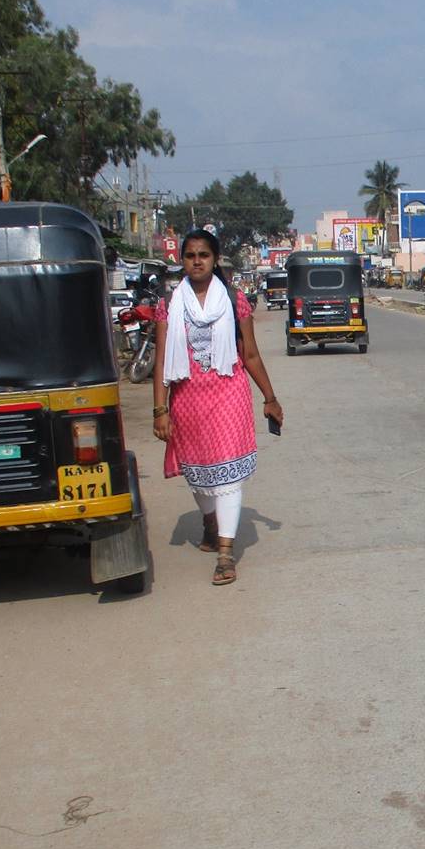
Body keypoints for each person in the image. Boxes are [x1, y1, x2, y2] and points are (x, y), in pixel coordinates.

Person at [152, 230, 284, 586]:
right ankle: (210, 524)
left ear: (215, 259)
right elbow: (163, 360)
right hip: (187, 398)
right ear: (183, 260)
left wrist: (269, 397)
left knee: (227, 477)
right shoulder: (169, 303)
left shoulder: (235, 299)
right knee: (198, 474)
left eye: (204, 255)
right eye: (191, 255)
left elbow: (250, 353)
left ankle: (226, 554)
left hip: (229, 392)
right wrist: (159, 410)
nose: (197, 261)